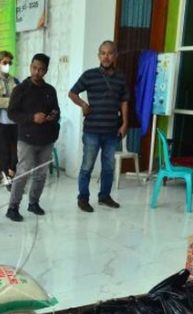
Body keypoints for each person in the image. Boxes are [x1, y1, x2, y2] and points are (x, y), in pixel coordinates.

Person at [69, 40, 129, 212]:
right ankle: (83, 198)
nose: (106, 56)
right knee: (87, 166)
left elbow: (124, 101)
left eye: (110, 53)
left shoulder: (120, 77)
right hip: (92, 131)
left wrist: (125, 123)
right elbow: (72, 93)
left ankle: (104, 196)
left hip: (112, 130)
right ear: (98, 56)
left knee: (109, 167)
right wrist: (82, 104)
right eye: (103, 53)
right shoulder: (89, 75)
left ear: (115, 55)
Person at [5, 53, 60, 222]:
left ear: (46, 71)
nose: (37, 72)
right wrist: (32, 117)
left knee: (41, 174)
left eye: (41, 69)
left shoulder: (50, 90)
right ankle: (13, 207)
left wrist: (53, 115)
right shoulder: (20, 89)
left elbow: (56, 110)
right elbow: (12, 113)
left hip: (46, 138)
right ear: (30, 66)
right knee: (22, 173)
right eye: (35, 68)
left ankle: (33, 203)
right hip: (27, 139)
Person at [0, 50, 19, 190]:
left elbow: (21, 100)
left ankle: (12, 173)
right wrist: (12, 100)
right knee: (4, 151)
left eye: (9, 63)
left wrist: (6, 100)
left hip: (14, 122)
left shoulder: (15, 80)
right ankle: (7, 179)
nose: (7, 65)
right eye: (4, 63)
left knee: (17, 151)